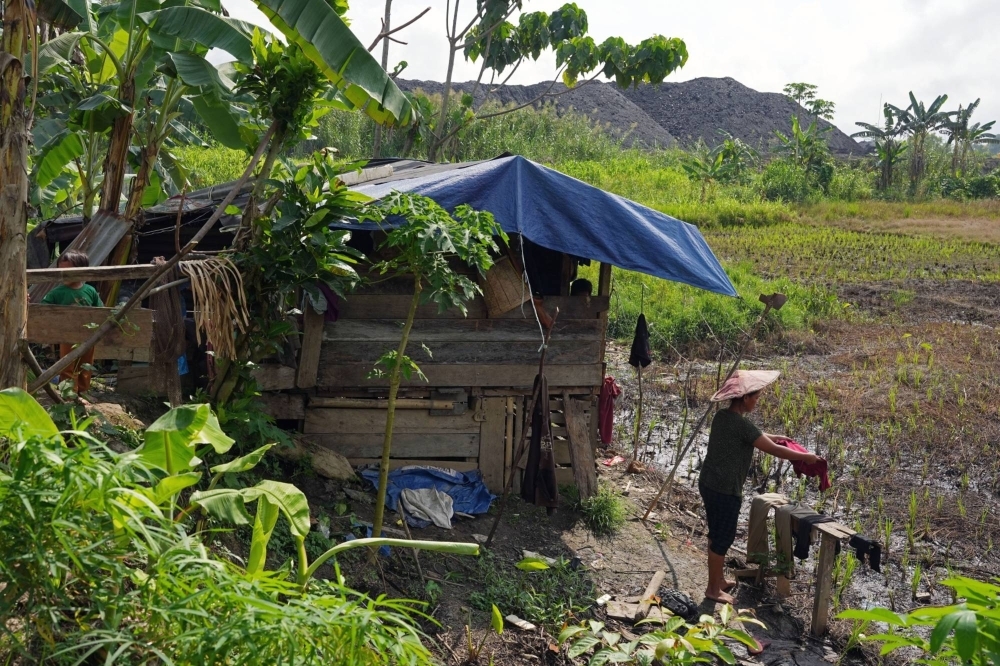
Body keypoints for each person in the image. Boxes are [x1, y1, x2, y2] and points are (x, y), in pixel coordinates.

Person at [698, 369, 822, 604]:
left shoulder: (722, 417)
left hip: (708, 483)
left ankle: (718, 580)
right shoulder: (743, 427)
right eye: (755, 398)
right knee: (722, 537)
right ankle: (713, 589)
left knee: (716, 534)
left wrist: (773, 436)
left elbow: (756, 435)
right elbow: (773, 450)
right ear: (745, 398)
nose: (757, 402)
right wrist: (805, 457)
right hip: (725, 490)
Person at [40, 250, 103, 394]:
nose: (64, 274)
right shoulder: (57, 292)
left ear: (82, 271)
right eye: (61, 271)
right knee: (67, 365)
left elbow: (100, 310)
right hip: (67, 336)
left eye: (69, 271)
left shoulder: (90, 291)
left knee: (86, 365)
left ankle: (82, 392)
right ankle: (69, 394)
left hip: (88, 336)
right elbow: (43, 309)